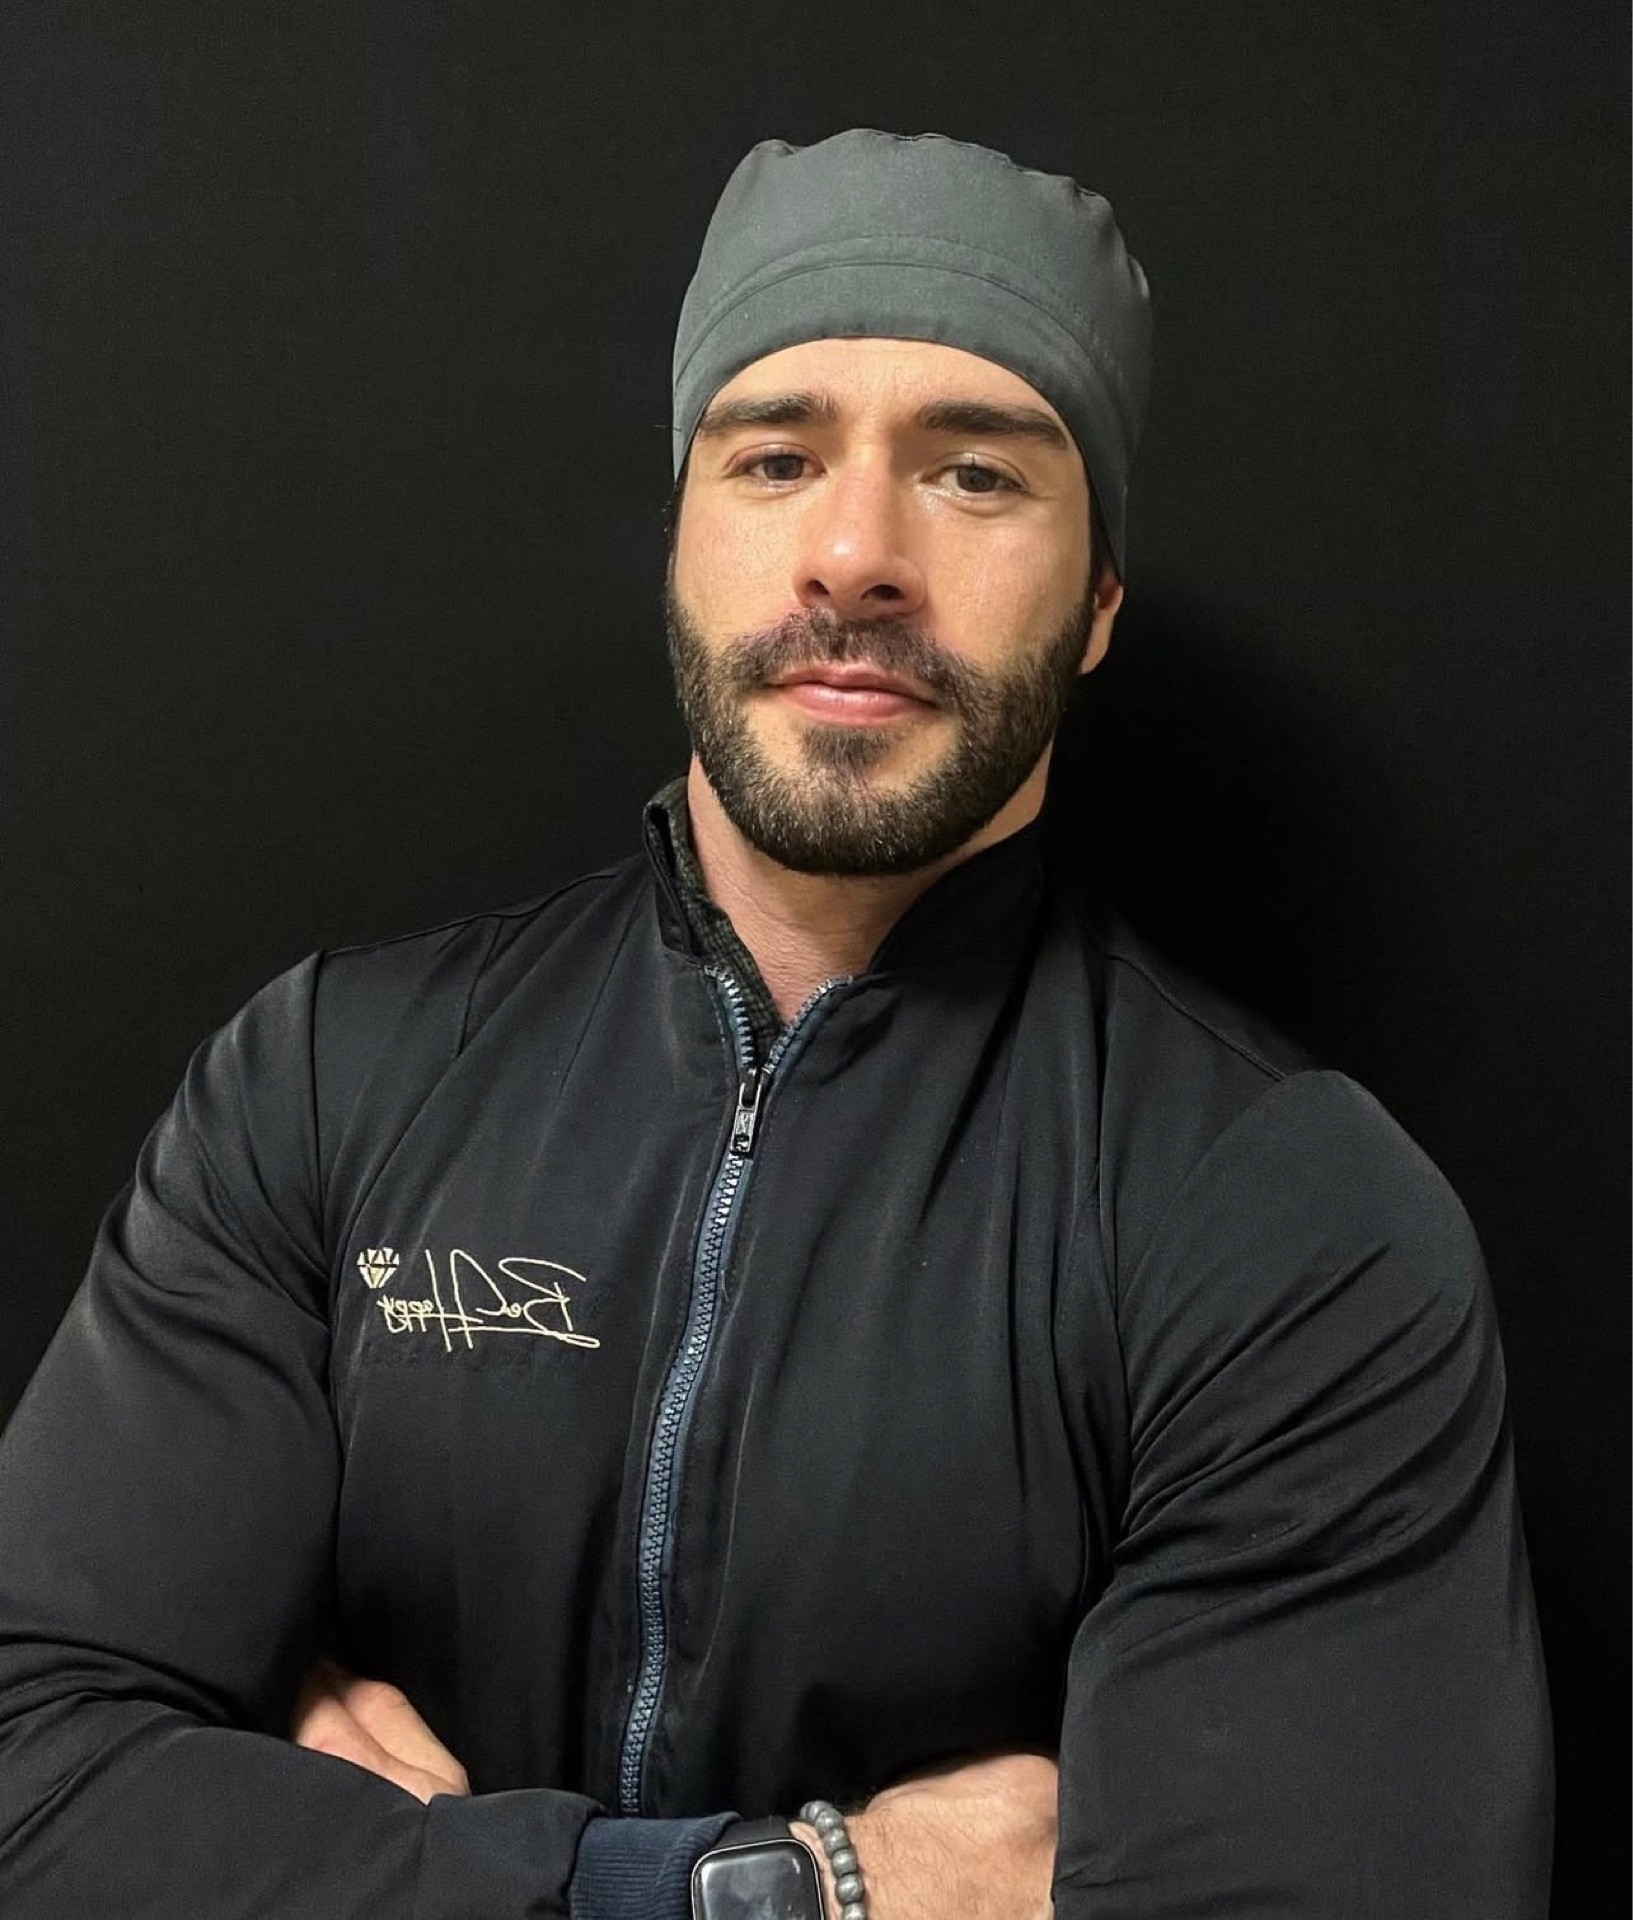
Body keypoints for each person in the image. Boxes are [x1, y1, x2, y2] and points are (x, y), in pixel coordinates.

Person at [0, 129, 1551, 1920]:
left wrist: (316, 1856)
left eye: (975, 474)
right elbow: (30, 1781)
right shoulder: (330, 1081)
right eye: (775, 457)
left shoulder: (1283, 1215)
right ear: (681, 537)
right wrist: (783, 1889)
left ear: (1097, 605)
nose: (855, 553)